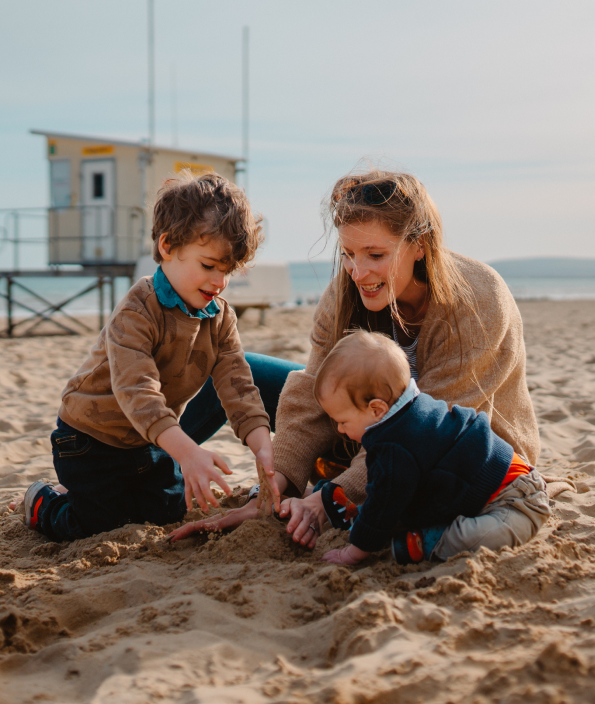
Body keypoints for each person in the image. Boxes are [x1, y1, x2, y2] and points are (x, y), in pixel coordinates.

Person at [167, 168, 540, 550]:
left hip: (453, 461)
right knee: (236, 371)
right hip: (358, 433)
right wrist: (271, 491)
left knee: (404, 451)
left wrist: (325, 501)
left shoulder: (479, 299)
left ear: (421, 245)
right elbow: (313, 393)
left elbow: (420, 436)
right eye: (348, 254)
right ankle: (154, 473)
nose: (358, 272)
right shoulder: (344, 291)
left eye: (375, 255)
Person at [19, 170, 276, 541]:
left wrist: (262, 444)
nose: (219, 282)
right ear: (168, 246)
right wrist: (187, 453)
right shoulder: (138, 311)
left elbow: (238, 385)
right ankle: (43, 501)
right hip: (89, 440)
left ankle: (98, 494)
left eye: (228, 271)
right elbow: (137, 392)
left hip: (146, 443)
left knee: (167, 510)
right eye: (208, 265)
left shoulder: (219, 318)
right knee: (98, 525)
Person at [311, 331, 549, 566]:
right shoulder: (416, 408)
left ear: (377, 410)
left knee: (489, 535)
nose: (340, 430)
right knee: (395, 500)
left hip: (515, 498)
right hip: (477, 490)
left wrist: (353, 553)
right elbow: (390, 493)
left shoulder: (395, 445)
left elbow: (386, 503)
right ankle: (356, 514)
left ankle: (428, 541)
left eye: (343, 422)